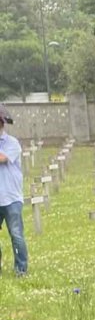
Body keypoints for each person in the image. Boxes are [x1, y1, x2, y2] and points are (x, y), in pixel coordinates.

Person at [0, 104, 29, 277]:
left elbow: (2, 158)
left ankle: (21, 269)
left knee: (16, 235)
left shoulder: (12, 143)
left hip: (11, 198)